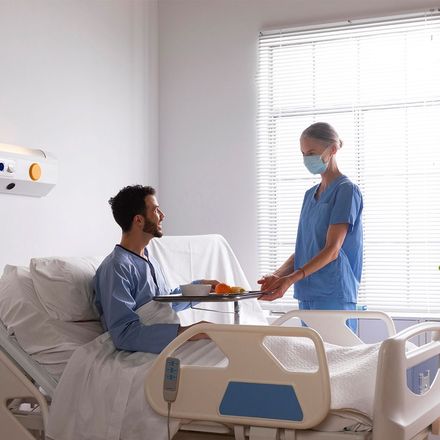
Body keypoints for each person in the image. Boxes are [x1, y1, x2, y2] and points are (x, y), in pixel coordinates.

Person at [94, 185, 218, 353]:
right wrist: (189, 332)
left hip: (168, 341)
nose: (162, 215)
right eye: (156, 210)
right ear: (139, 220)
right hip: (142, 351)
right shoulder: (117, 267)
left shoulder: (149, 260)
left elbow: (163, 304)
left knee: (223, 347)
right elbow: (124, 334)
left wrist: (201, 288)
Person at [258, 122, 363, 319]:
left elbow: (332, 250)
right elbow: (306, 249)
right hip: (307, 293)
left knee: (337, 350)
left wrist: (290, 279)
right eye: (303, 154)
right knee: (313, 350)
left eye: (312, 153)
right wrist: (278, 276)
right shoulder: (309, 196)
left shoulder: (346, 191)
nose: (307, 159)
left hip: (333, 293)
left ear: (332, 149)